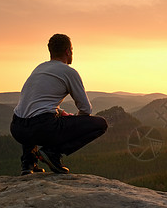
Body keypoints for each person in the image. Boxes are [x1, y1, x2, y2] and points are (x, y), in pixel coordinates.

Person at [10, 34, 108, 175]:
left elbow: (35, 103)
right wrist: (73, 121)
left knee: (30, 116)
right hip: (42, 127)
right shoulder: (69, 72)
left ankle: (28, 163)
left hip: (17, 128)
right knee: (101, 124)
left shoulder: (39, 68)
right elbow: (86, 109)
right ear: (68, 51)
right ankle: (53, 152)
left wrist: (59, 113)